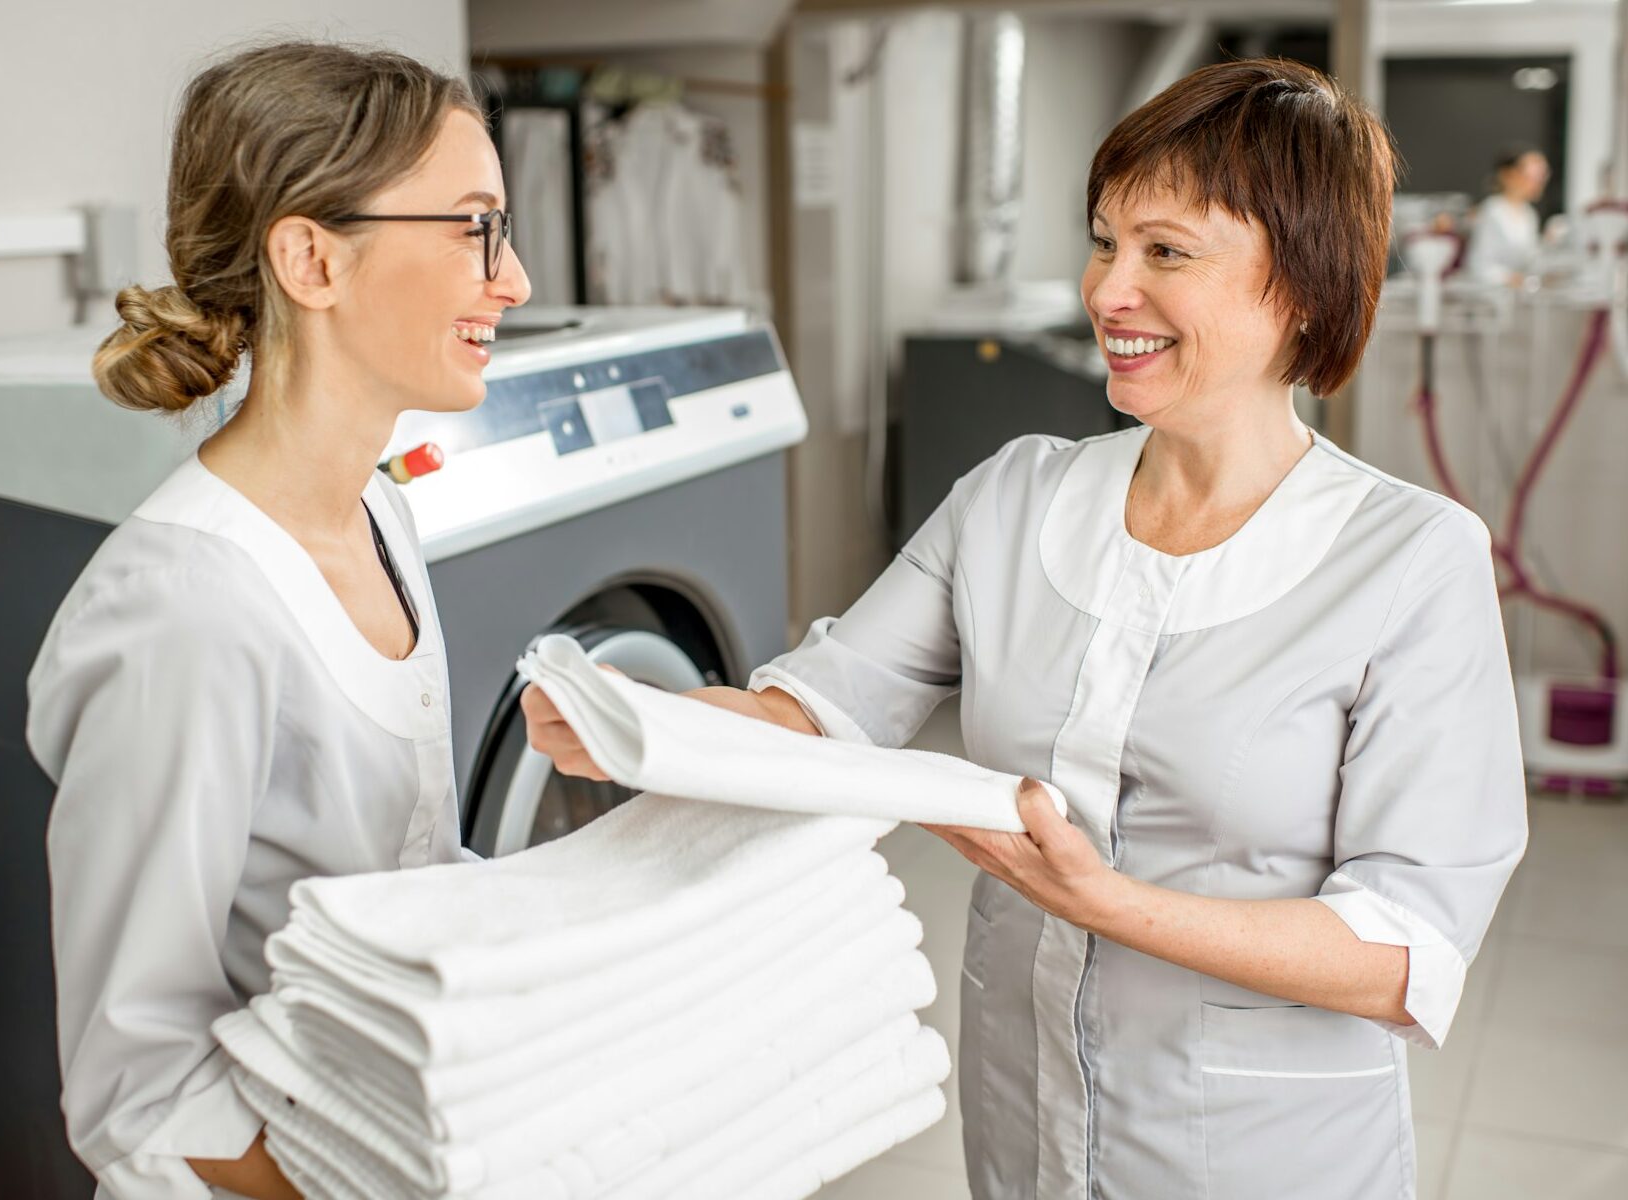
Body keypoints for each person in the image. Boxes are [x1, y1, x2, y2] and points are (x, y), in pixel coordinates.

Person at [526, 59, 1527, 1199]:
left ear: (1301, 284)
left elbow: (1406, 952)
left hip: (1256, 1151)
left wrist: (1110, 905)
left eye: (1167, 251)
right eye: (1104, 242)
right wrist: (639, 719)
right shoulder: (1016, 497)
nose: (1108, 291)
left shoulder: (1407, 559)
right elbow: (815, 712)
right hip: (1025, 1115)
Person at [26, 41, 529, 1200]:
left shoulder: (381, 519)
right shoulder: (183, 608)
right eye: (474, 229)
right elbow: (136, 1086)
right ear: (311, 257)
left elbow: (407, 878)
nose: (513, 282)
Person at [1464, 145, 1551, 286]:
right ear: (1508, 175)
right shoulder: (1492, 211)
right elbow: (1478, 266)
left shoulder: (1529, 214)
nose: (1539, 180)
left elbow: (1529, 260)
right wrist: (1510, 279)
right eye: (1533, 173)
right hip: (1491, 297)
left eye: (1543, 173)